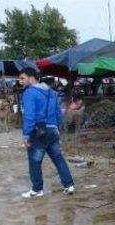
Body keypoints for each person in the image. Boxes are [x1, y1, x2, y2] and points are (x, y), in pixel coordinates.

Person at [18, 67, 74, 199]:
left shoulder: (29, 93)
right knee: (58, 158)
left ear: (31, 77)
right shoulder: (52, 92)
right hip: (52, 129)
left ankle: (37, 189)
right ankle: (69, 185)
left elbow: (30, 116)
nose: (20, 81)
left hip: (38, 131)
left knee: (35, 161)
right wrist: (57, 128)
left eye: (22, 78)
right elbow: (58, 113)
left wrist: (26, 135)